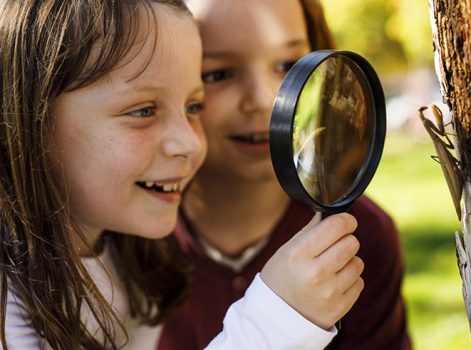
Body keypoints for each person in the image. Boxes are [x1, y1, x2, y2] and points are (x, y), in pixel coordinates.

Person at [0, 1, 365, 349]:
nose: (189, 143)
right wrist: (278, 323)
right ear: (29, 117)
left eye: (193, 107)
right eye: (143, 111)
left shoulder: (130, 268)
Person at [159, 0, 411, 349]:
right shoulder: (121, 238)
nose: (263, 99)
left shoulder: (358, 239)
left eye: (288, 66)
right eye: (217, 73)